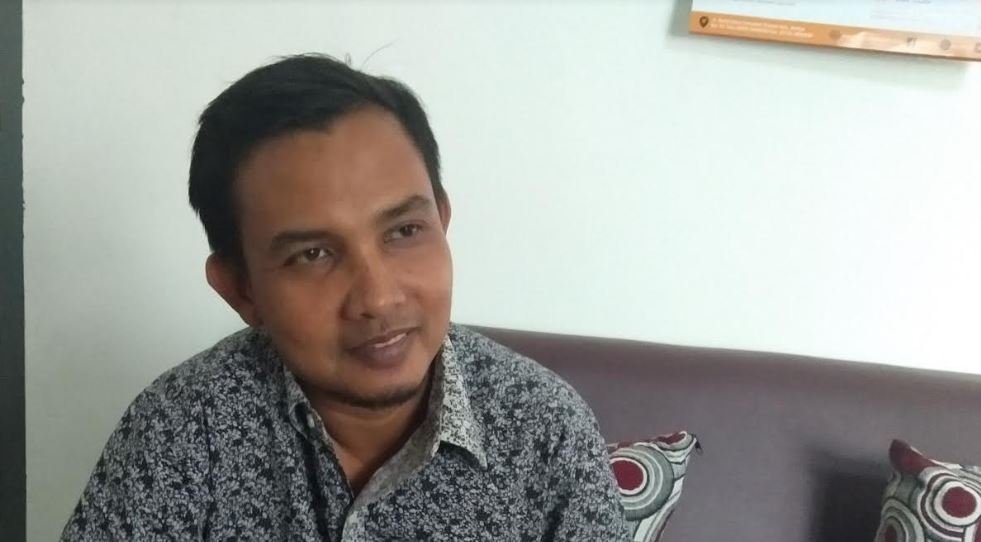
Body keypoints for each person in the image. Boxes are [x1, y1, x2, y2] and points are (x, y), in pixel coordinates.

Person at [61, 54, 628, 541]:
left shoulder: (545, 431)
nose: (378, 298)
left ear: (442, 220)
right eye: (313, 255)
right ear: (241, 289)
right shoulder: (182, 428)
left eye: (404, 231)